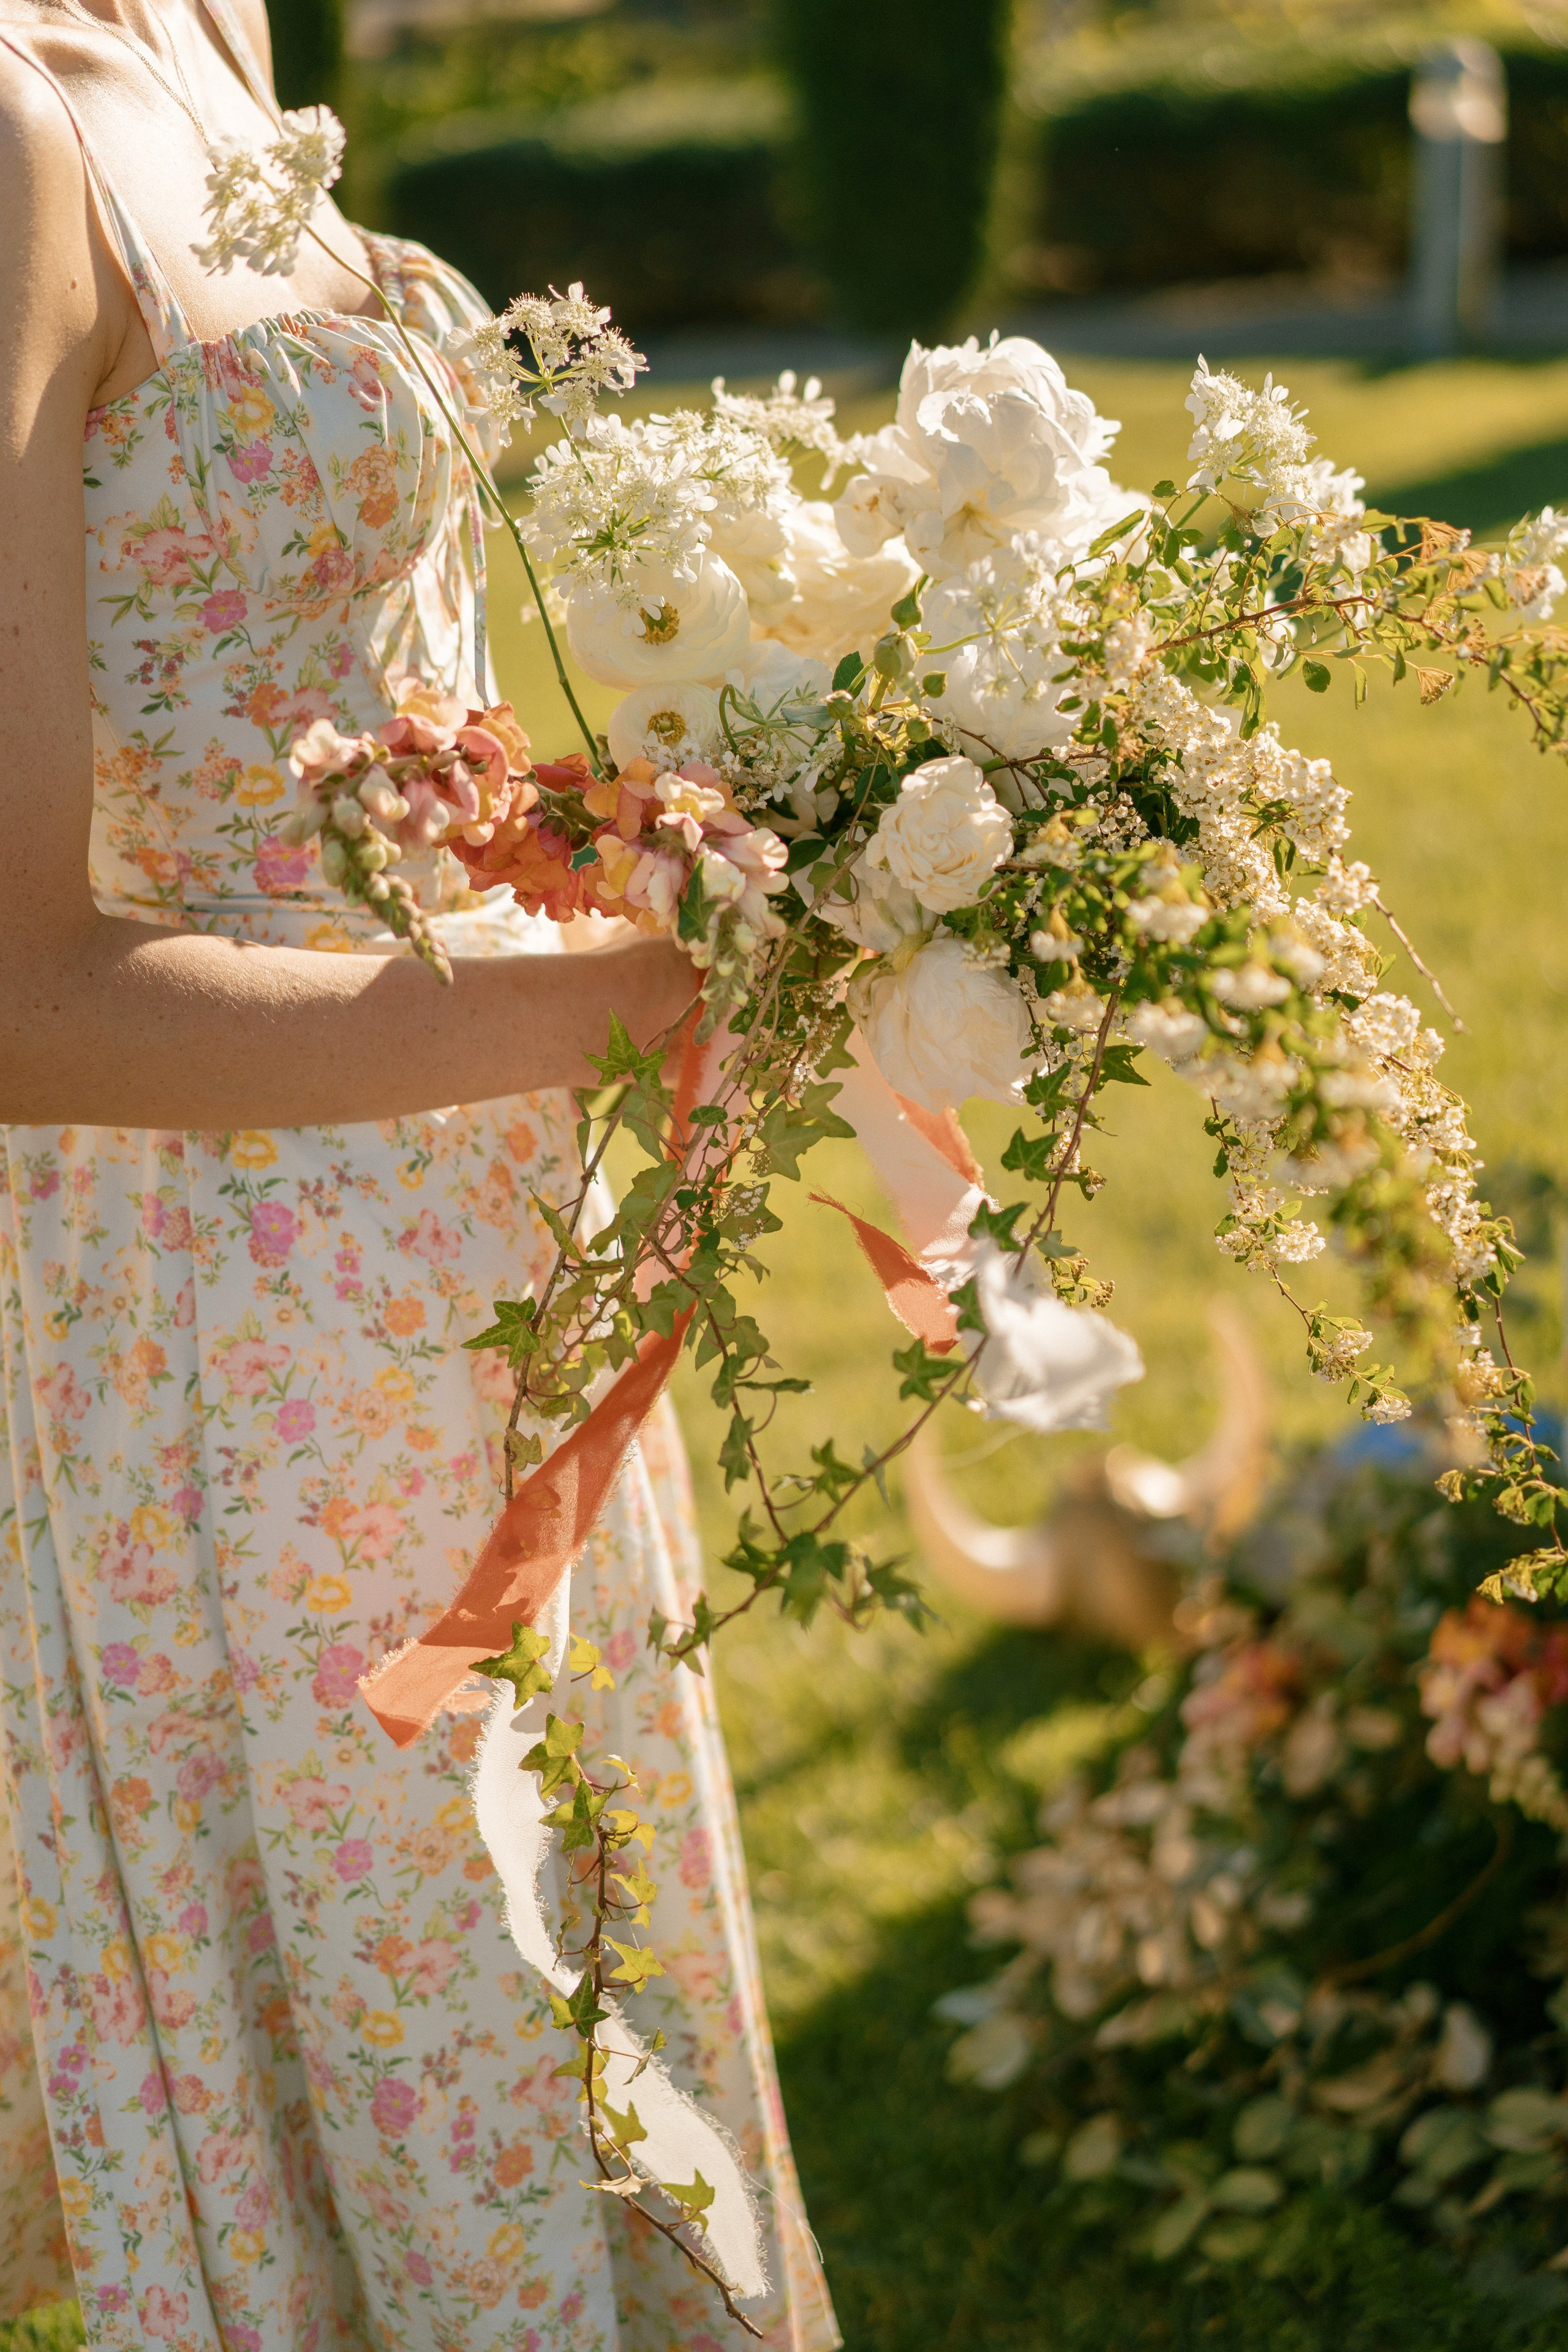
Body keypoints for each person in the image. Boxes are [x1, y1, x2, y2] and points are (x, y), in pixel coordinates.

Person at [0, 2, 839, 2343]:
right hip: (229, 1313)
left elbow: (330, 676)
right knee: (437, 2017)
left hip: (472, 1227)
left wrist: (674, 846)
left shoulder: (217, 14)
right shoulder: (5, 127)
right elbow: (14, 990)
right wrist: (626, 1010)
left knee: (573, 1979)